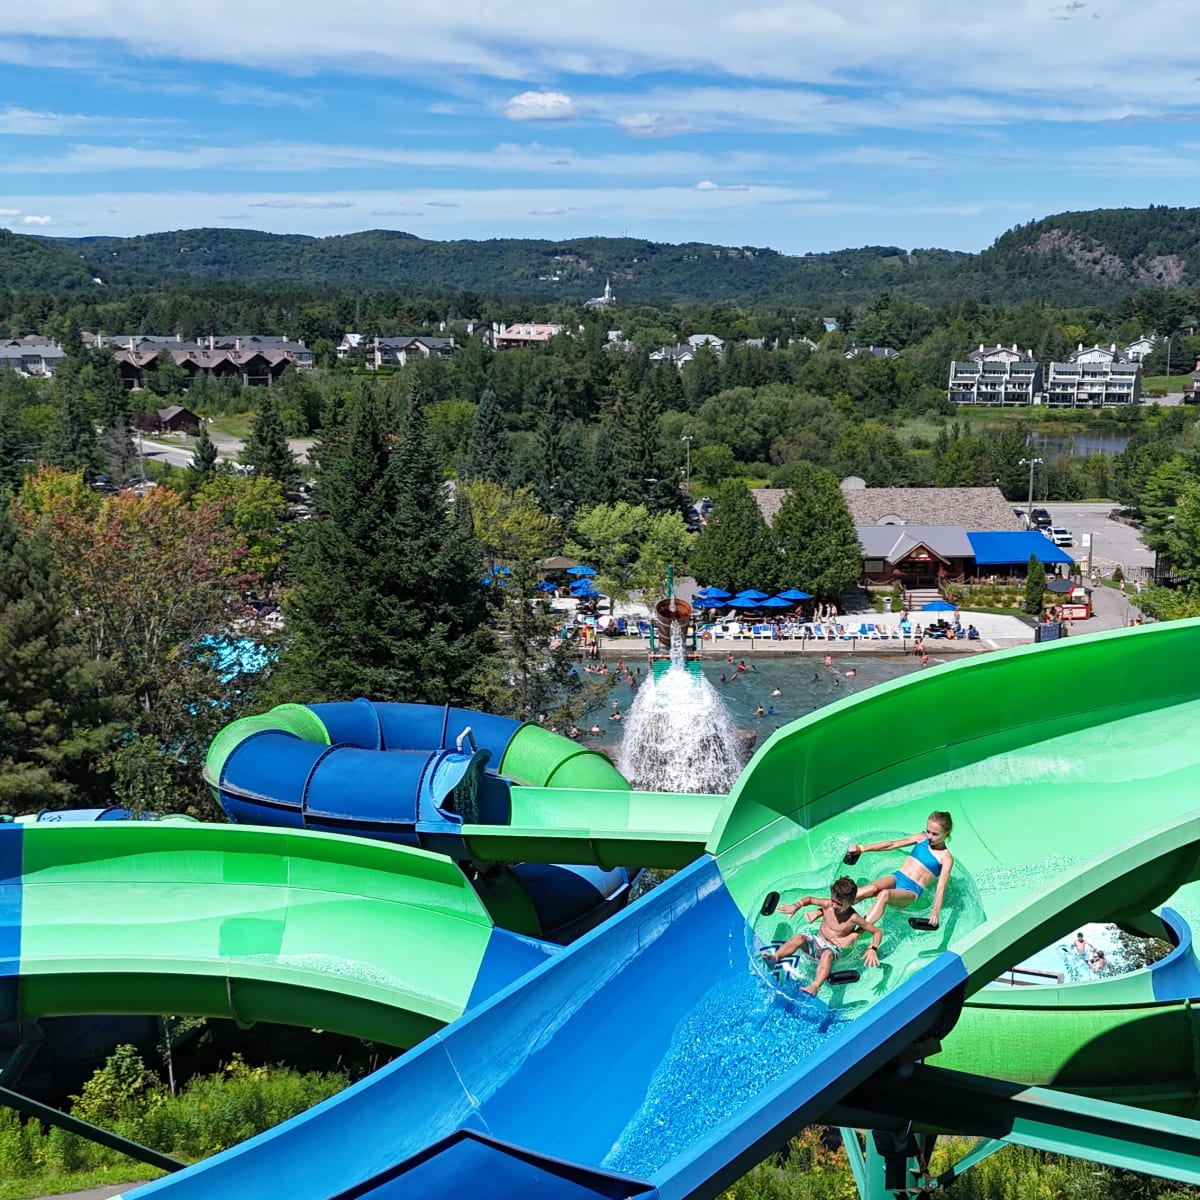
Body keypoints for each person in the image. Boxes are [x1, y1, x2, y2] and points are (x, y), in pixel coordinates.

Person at [762, 876, 882, 995]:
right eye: (833, 900)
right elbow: (809, 899)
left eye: (839, 904)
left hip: (832, 948)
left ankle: (815, 986)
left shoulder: (853, 918)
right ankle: (775, 958)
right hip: (816, 941)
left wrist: (873, 948)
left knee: (827, 954)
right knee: (799, 938)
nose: (834, 906)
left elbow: (877, 932)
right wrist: (795, 906)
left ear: (851, 902)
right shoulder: (828, 904)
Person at [846, 811, 954, 928]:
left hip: (911, 890)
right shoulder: (922, 838)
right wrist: (862, 848)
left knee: (884, 894)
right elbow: (891, 845)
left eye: (935, 834)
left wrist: (935, 911)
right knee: (872, 888)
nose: (930, 836)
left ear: (946, 834)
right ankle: (836, 908)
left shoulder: (946, 858)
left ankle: (854, 936)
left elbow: (941, 885)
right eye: (928, 831)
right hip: (897, 877)